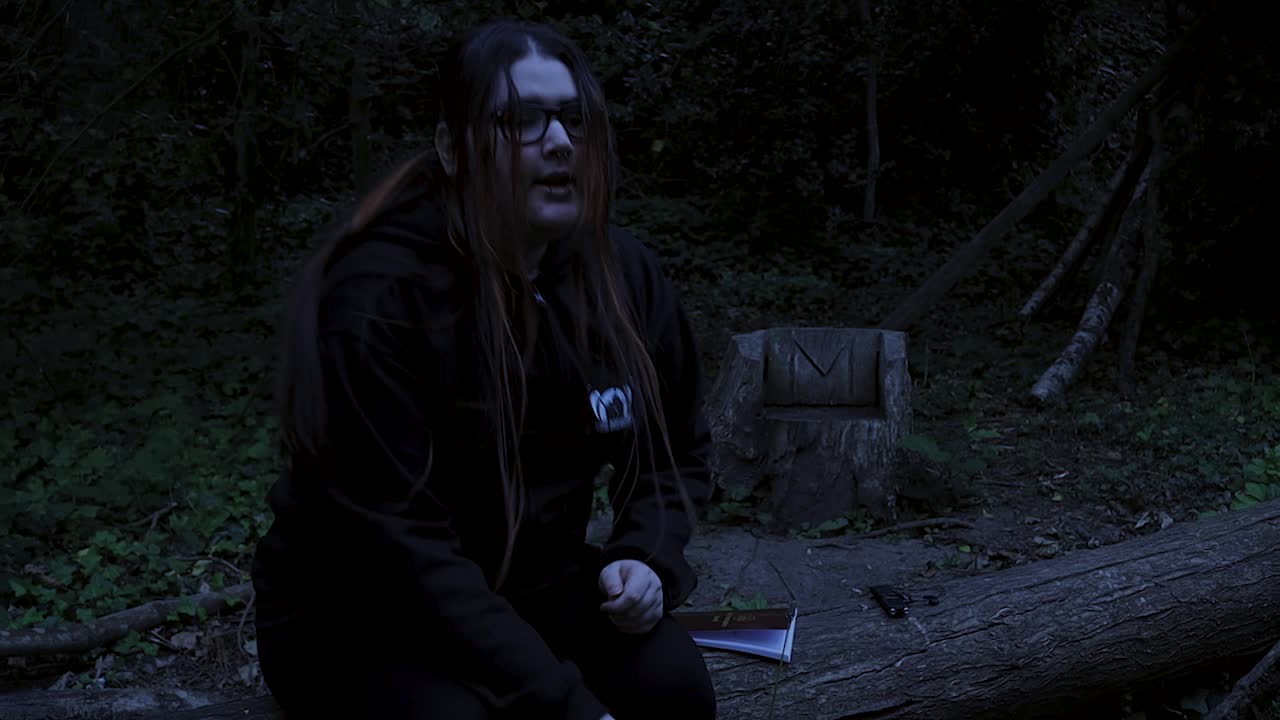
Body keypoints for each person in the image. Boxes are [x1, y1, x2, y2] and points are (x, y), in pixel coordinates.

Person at [249, 18, 717, 720]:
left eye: (573, 120)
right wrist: (567, 706)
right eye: (522, 121)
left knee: (673, 687)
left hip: (532, 584)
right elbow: (398, 545)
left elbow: (674, 449)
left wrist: (647, 557)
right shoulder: (380, 296)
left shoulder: (619, 275)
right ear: (452, 147)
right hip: (363, 611)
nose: (559, 143)